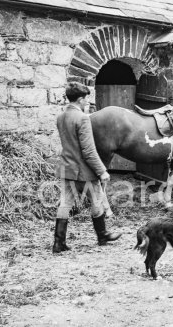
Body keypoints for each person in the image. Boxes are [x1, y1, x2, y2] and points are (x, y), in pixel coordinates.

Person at [53, 82, 121, 254]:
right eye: (86, 99)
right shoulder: (83, 118)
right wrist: (102, 171)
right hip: (84, 171)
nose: (87, 102)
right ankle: (102, 235)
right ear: (81, 99)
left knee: (65, 203)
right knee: (97, 200)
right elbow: (89, 151)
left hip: (67, 168)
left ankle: (58, 243)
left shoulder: (61, 117)